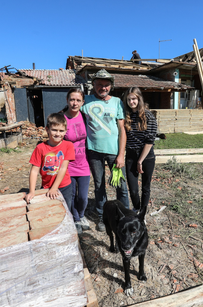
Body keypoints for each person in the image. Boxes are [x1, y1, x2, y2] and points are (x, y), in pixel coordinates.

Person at [82, 69, 129, 232]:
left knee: (121, 185)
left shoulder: (117, 102)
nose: (103, 88)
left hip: (114, 152)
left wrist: (121, 154)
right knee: (99, 185)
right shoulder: (85, 101)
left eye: (106, 85)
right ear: (93, 85)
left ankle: (124, 216)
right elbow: (70, 111)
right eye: (99, 84)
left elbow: (122, 129)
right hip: (93, 151)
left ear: (111, 86)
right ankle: (103, 217)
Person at [25, 113, 75, 213]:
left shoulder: (68, 145)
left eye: (61, 131)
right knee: (49, 212)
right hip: (46, 187)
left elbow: (63, 168)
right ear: (47, 129)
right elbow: (34, 171)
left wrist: (54, 188)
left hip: (65, 186)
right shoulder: (40, 148)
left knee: (65, 211)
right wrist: (31, 191)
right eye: (54, 130)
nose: (58, 133)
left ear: (65, 131)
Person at [122, 87, 157, 213]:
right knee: (133, 188)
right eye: (129, 99)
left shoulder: (148, 116)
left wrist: (140, 161)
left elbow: (150, 140)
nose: (131, 102)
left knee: (145, 187)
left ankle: (143, 212)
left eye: (134, 99)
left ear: (139, 99)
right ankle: (137, 207)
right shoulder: (126, 115)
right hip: (131, 155)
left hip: (146, 155)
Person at [63, 88, 91, 234]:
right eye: (72, 99)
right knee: (71, 194)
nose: (75, 103)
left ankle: (81, 214)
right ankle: (77, 218)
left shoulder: (86, 117)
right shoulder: (61, 118)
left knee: (83, 197)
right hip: (67, 164)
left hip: (84, 163)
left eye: (78, 100)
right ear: (67, 100)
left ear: (82, 102)